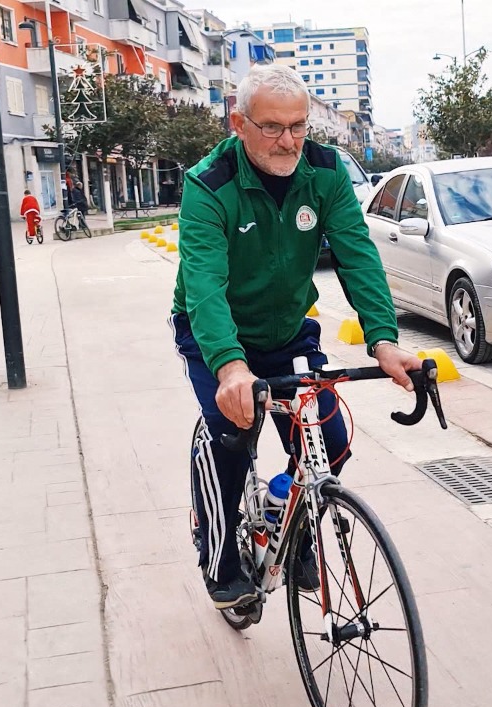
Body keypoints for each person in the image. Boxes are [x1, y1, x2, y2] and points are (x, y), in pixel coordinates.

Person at [170, 64, 423, 610]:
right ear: (238, 123)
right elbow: (206, 287)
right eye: (271, 127)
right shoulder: (208, 185)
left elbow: (357, 255)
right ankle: (220, 559)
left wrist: (383, 340)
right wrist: (231, 368)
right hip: (214, 333)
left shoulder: (325, 172)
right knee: (230, 436)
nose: (288, 141)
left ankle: (295, 517)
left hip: (287, 331)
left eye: (299, 126)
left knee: (329, 441)